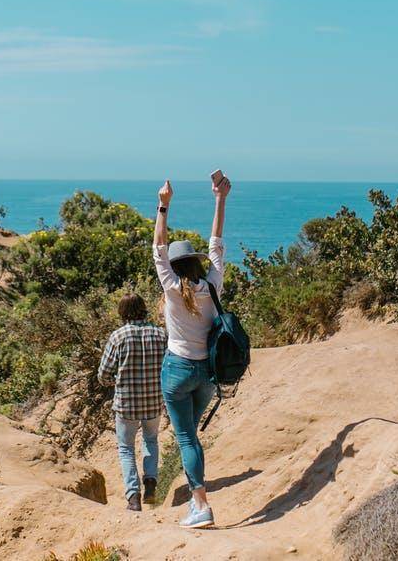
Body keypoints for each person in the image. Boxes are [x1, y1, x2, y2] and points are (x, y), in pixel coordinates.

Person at [152, 173, 229, 530]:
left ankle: (201, 505)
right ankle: (195, 504)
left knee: (185, 437)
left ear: (175, 266)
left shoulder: (170, 287)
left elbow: (158, 248)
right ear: (197, 265)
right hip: (207, 374)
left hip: (178, 370)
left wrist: (163, 205)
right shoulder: (212, 284)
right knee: (190, 437)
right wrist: (219, 198)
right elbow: (217, 243)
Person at [97, 292, 167, 512]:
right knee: (151, 440)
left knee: (126, 448)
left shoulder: (118, 336)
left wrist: (115, 381)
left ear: (122, 312)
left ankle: (133, 497)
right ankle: (151, 484)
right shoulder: (160, 334)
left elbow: (103, 374)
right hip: (154, 401)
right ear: (143, 308)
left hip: (126, 403)